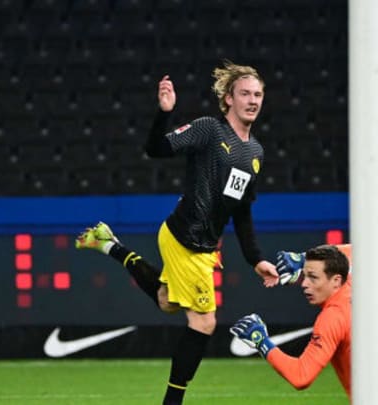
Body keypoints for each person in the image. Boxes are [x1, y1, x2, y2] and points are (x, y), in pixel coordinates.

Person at [75, 60, 279, 405]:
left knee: (167, 300)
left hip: (200, 244)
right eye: (245, 93)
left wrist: (255, 259)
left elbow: (241, 212)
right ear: (228, 98)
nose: (253, 100)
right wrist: (164, 113)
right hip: (185, 236)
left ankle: (110, 245)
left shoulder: (255, 153)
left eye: (258, 94)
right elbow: (155, 149)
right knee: (204, 322)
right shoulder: (209, 130)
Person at [230, 244, 378, 404]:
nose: (305, 284)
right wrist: (302, 260)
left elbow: (301, 376)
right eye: (305, 275)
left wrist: (262, 342)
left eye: (313, 277)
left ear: (336, 281)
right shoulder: (357, 284)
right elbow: (361, 249)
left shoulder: (333, 318)